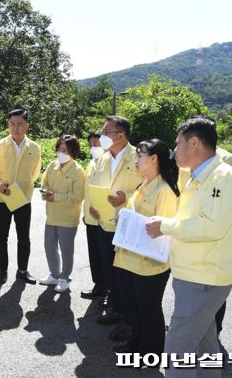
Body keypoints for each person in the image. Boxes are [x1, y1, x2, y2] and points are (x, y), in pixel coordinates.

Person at [146, 116, 232, 377]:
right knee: (205, 345)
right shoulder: (195, 175)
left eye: (178, 144)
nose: (174, 150)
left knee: (178, 348)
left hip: (204, 277)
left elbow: (211, 226)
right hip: (194, 274)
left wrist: (165, 226)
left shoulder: (222, 177)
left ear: (194, 143)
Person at [112, 139, 179, 355]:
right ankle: (135, 346)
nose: (136, 159)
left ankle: (151, 352)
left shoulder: (165, 190)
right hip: (133, 260)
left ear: (153, 159)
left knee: (149, 311)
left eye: (140, 155)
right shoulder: (143, 185)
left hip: (150, 264)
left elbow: (164, 232)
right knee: (136, 310)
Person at [91, 116, 143, 345]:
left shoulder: (139, 156)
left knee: (127, 277)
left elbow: (150, 190)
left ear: (120, 135)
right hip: (105, 223)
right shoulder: (103, 159)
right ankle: (117, 309)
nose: (101, 136)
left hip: (127, 226)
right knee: (110, 272)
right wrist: (94, 207)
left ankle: (130, 322)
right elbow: (98, 188)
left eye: (106, 132)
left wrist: (127, 198)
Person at [0, 109, 42, 285]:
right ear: (8, 125)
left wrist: (23, 188)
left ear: (27, 126)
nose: (15, 128)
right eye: (12, 124)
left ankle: (22, 270)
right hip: (2, 198)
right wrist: (0, 185)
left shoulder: (35, 147)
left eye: (19, 124)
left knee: (23, 237)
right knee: (1, 236)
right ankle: (2, 270)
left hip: (23, 199)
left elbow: (35, 173)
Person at [39, 135, 85, 293]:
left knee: (66, 250)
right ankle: (54, 274)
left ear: (73, 151)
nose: (61, 151)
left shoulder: (78, 171)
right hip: (51, 216)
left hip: (68, 218)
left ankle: (65, 277)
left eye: (65, 149)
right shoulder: (52, 165)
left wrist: (55, 197)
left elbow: (77, 197)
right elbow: (43, 181)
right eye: (59, 148)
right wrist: (44, 190)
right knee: (49, 247)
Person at [81, 131, 107, 299]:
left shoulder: (109, 162)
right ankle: (98, 285)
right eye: (90, 144)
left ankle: (108, 290)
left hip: (104, 218)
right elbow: (87, 190)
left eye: (96, 143)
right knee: (94, 254)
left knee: (106, 255)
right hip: (90, 217)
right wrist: (85, 212)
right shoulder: (91, 163)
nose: (93, 147)